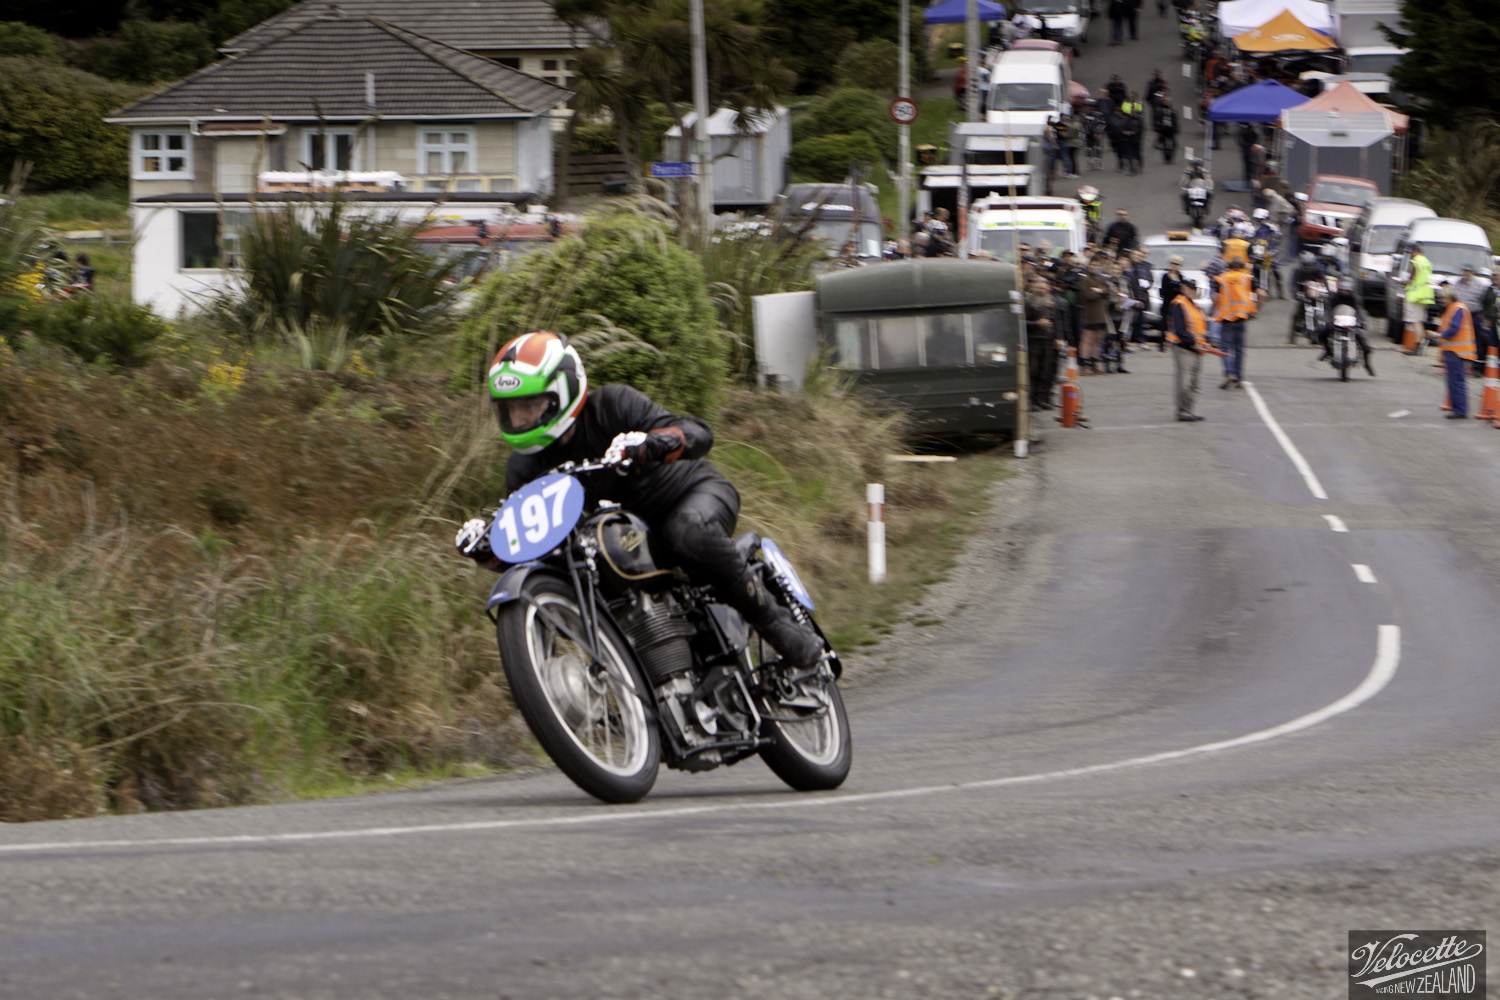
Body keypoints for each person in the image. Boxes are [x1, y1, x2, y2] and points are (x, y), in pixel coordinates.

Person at [458, 331, 824, 668]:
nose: (519, 417)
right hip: (625, 542)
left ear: (562, 391)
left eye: (529, 405)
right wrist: (492, 546)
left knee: (686, 533)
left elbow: (698, 432)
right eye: (510, 409)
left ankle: (776, 623)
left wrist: (651, 444)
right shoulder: (522, 468)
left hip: (691, 495)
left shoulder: (613, 405)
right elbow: (534, 540)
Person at [1166, 278, 1213, 421]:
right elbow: (1180, 330)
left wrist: (1205, 343)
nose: (1192, 291)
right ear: (1183, 288)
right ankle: (1183, 411)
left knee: (1194, 384)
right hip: (1184, 349)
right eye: (1189, 288)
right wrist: (1193, 343)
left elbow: (1199, 329)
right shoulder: (1179, 304)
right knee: (1185, 383)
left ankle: (1189, 410)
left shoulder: (1194, 306)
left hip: (1197, 349)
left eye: (1194, 289)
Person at [1212, 257, 1261, 388]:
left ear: (1228, 266)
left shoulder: (1222, 278)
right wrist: (1256, 309)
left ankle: (1229, 373)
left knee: (1225, 348)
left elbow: (1216, 297)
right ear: (1242, 266)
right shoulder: (1247, 278)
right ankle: (1239, 379)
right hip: (1242, 318)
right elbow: (1262, 294)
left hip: (1227, 318)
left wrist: (1213, 310)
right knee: (1239, 349)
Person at [1430, 285, 1476, 418]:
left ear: (1450, 297)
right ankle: (1458, 409)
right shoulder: (1453, 308)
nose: (1441, 300)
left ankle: (1460, 410)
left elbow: (1454, 329)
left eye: (1443, 298)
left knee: (1456, 381)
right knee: (1453, 381)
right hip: (1453, 350)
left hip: (1457, 351)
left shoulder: (1458, 309)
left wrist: (1438, 335)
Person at [1320, 276, 1375, 376]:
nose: (1344, 292)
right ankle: (1327, 351)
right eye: (1342, 290)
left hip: (1351, 323)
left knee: (1365, 345)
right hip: (1336, 322)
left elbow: (1359, 310)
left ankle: (1367, 364)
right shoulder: (1333, 297)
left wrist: (1361, 322)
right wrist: (1328, 321)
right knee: (1322, 332)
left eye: (1347, 290)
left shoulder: (1355, 298)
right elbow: (1328, 310)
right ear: (1339, 289)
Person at [1397, 242, 1436, 354]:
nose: (1410, 254)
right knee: (1419, 320)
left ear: (1414, 251)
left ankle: (1418, 346)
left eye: (1411, 252)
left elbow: (1411, 279)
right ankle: (1421, 344)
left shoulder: (1416, 262)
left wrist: (1400, 282)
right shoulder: (1426, 262)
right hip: (1424, 294)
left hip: (1414, 294)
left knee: (1415, 321)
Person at [1078, 258, 1112, 374]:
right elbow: (1088, 295)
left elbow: (1108, 291)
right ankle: (1085, 363)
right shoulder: (1084, 278)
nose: (1094, 266)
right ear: (1088, 265)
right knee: (1087, 339)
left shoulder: (1101, 278)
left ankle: (1094, 362)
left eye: (1096, 264)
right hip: (1090, 313)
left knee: (1098, 339)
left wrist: (1099, 291)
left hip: (1101, 312)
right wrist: (1099, 291)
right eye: (1092, 264)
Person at [1453, 263, 1489, 373]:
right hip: (1460, 315)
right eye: (1464, 271)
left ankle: (1475, 366)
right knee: (1461, 339)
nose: (1466, 273)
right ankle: (1461, 362)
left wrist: (1482, 315)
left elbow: (1483, 301)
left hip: (1474, 314)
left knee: (1476, 339)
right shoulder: (1458, 283)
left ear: (1472, 272)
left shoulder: (1479, 284)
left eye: (1468, 271)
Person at [1250, 208, 1283, 298]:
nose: (1258, 220)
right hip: (1260, 251)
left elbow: (1277, 238)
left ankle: (1280, 291)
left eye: (1260, 219)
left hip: (1271, 251)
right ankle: (1265, 291)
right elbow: (1252, 237)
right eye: (1257, 219)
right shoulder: (1257, 227)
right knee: (1260, 270)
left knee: (1274, 270)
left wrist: (1271, 250)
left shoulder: (1272, 227)